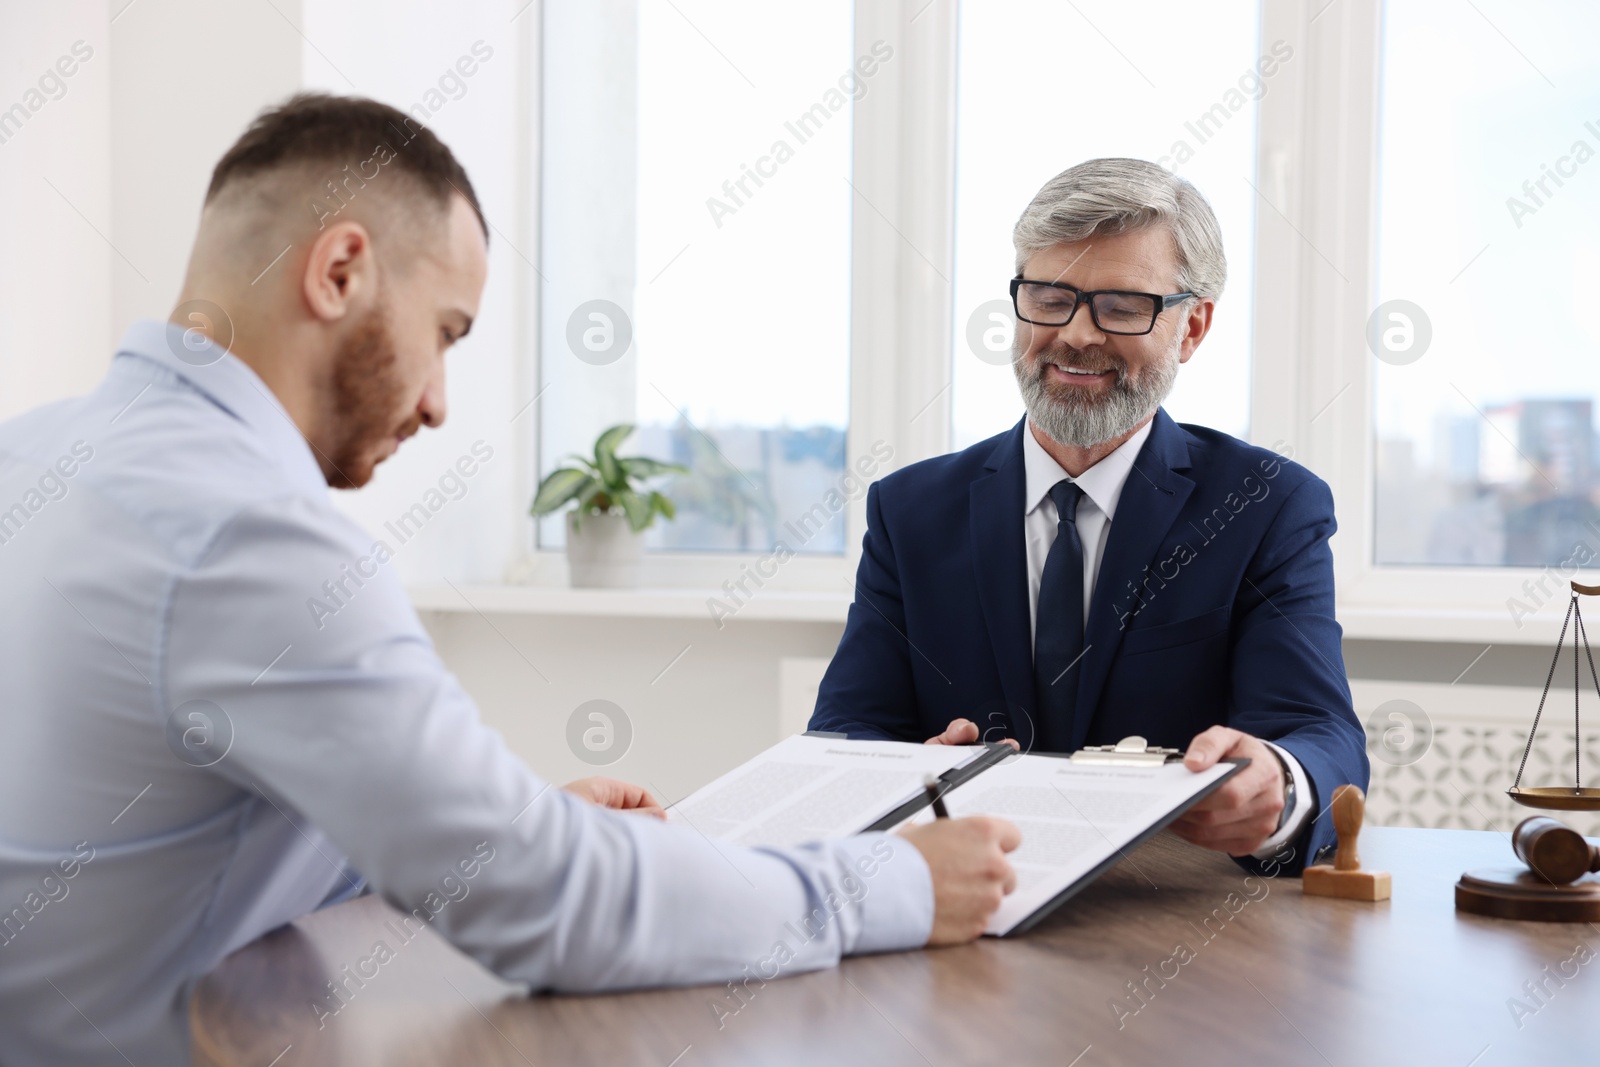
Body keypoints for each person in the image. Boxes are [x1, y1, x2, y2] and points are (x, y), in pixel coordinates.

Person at [0, 94, 1019, 1066]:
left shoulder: (36, 456)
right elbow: (547, 906)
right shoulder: (249, 533)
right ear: (341, 269)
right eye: (445, 332)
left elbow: (170, 827)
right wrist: (887, 883)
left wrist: (504, 817)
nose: (439, 402)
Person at [810, 158, 1367, 873]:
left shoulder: (1268, 506)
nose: (1076, 334)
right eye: (1049, 297)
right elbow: (845, 732)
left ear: (1191, 326)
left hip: (1169, 917)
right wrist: (899, 778)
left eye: (1122, 305)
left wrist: (1277, 783)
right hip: (961, 906)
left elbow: (1319, 730)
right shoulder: (910, 510)